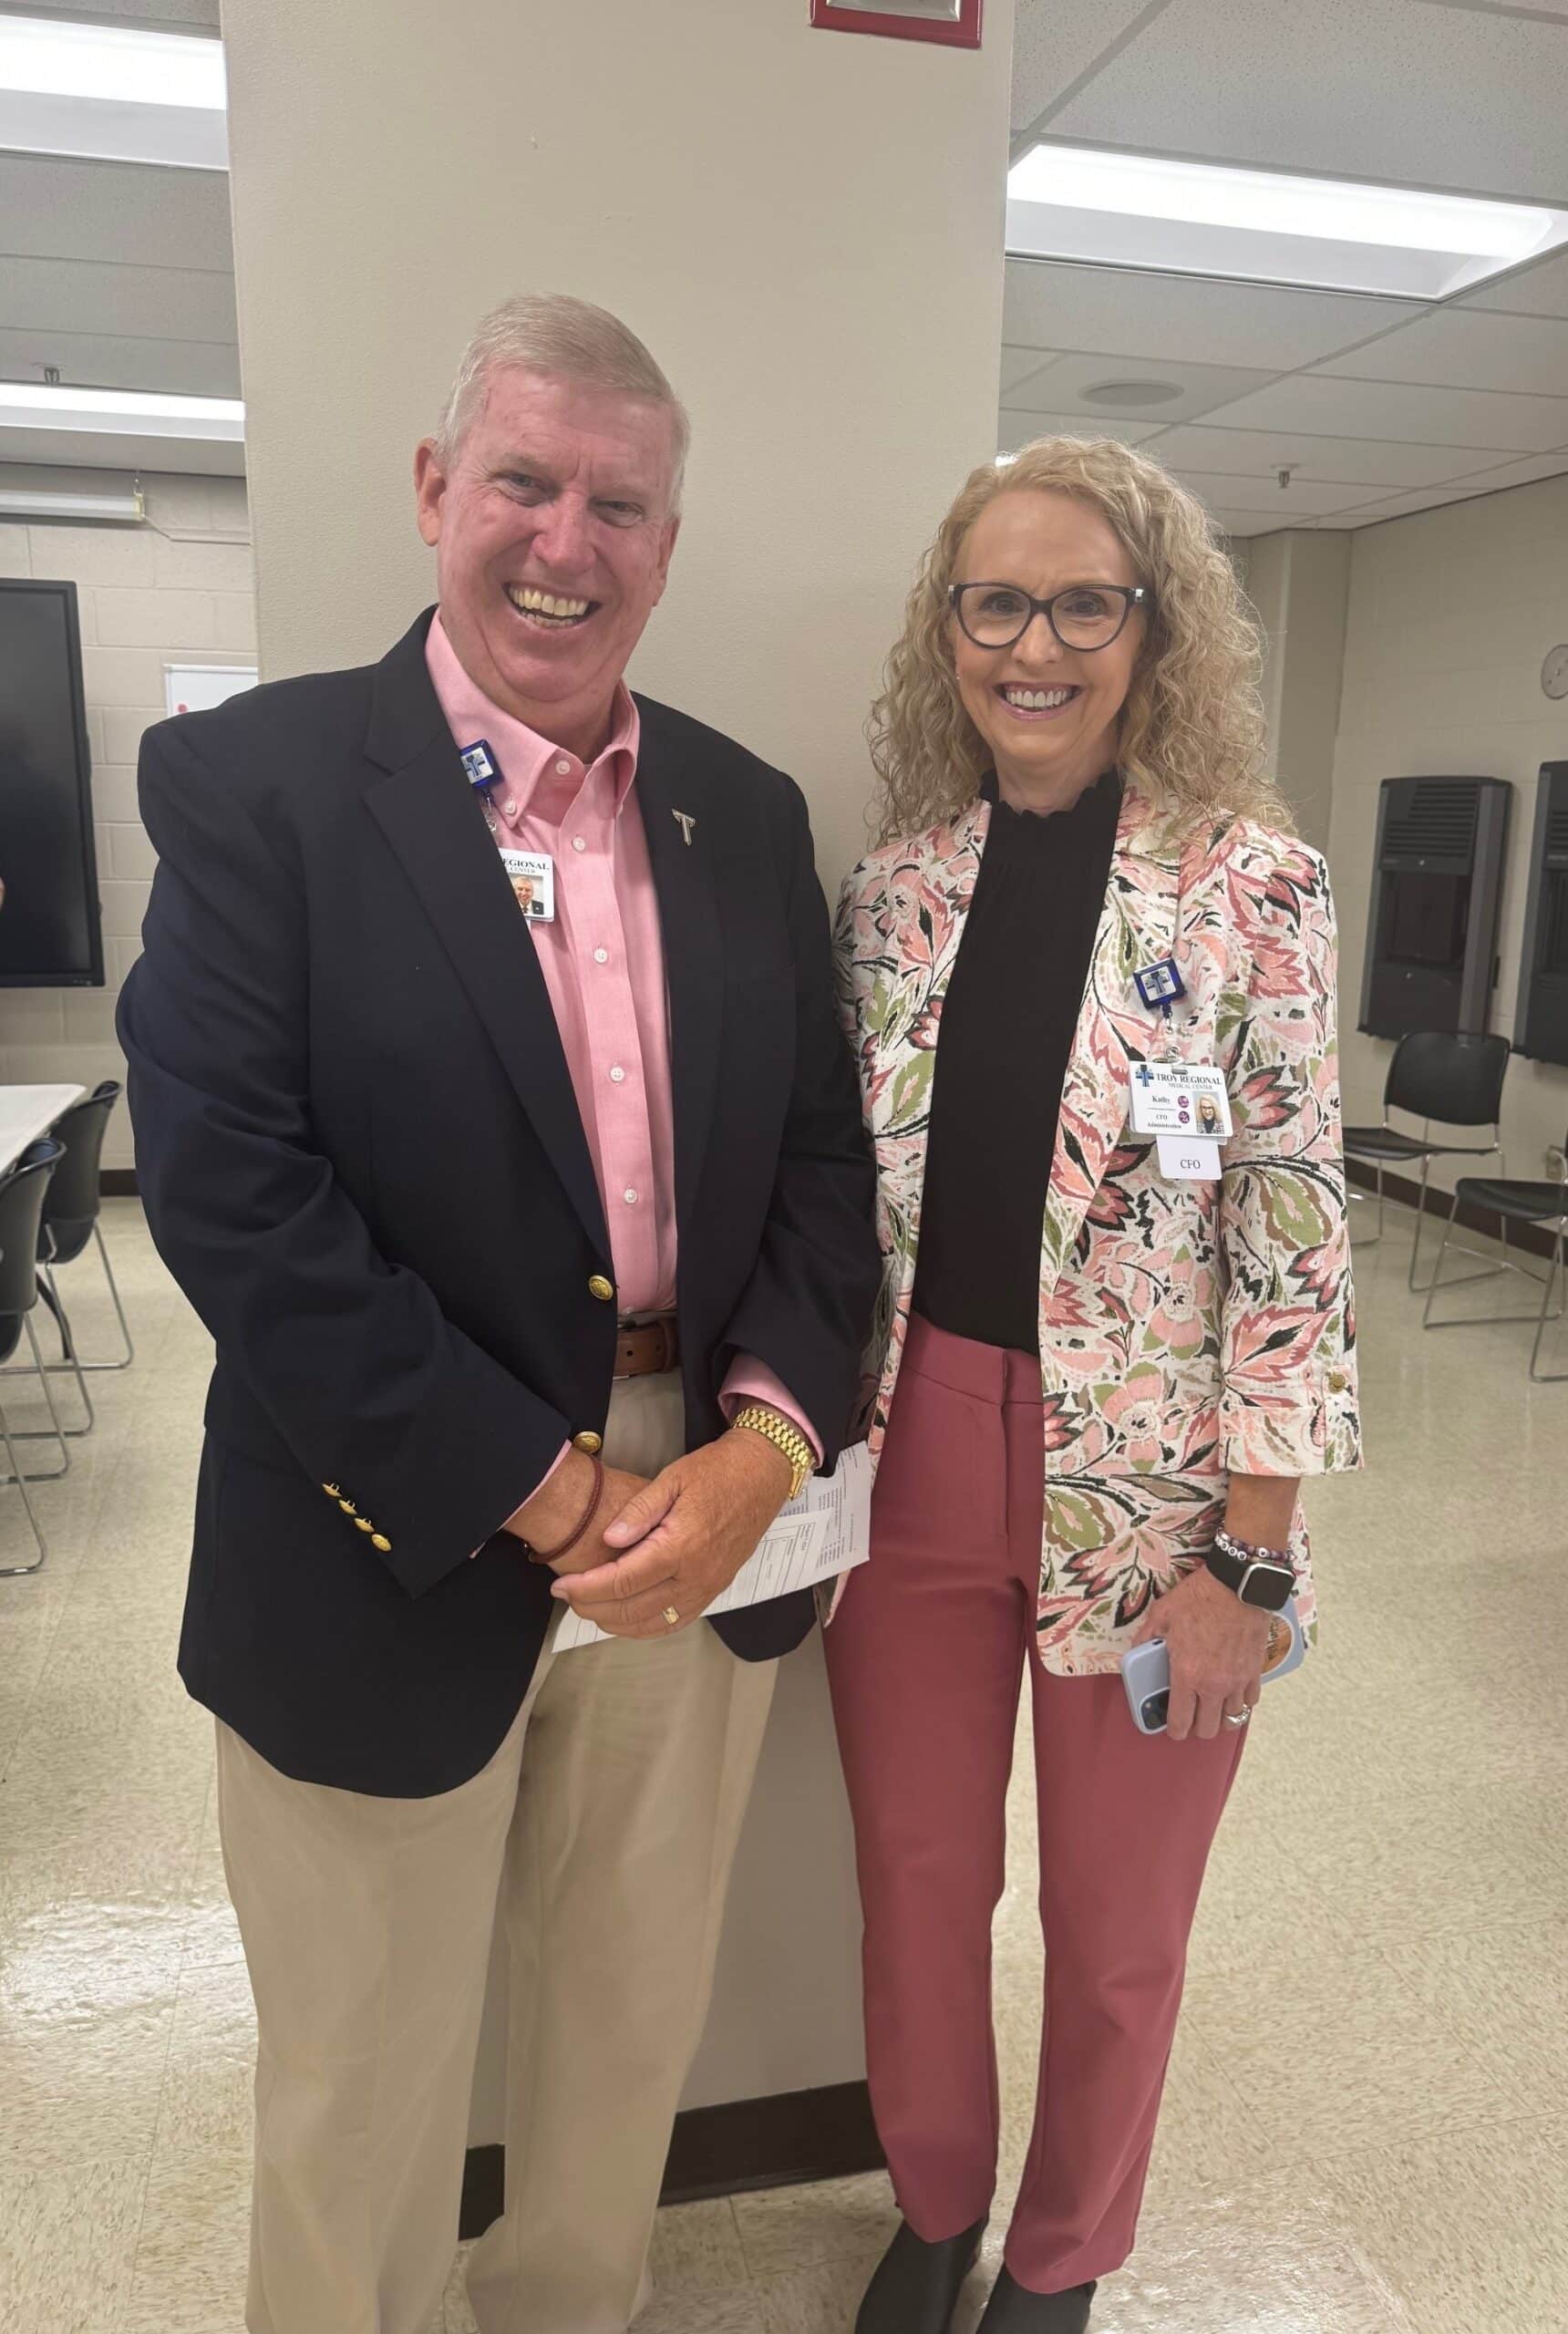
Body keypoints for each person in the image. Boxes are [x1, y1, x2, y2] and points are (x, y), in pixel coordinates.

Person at [118, 293, 879, 2334]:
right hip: (384, 1513)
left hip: (696, 1509)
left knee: (627, 2032)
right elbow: (234, 1198)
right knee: (362, 2076)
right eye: (525, 481)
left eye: (617, 501)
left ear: (667, 537)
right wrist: (534, 1488)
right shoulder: (254, 786)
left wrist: (758, 1450)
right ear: (437, 490)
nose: (567, 539)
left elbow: (822, 1171)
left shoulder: (740, 811)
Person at [829, 436, 1360, 2334]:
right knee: (911, 1878)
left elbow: (1292, 1219)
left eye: (1079, 601)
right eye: (994, 601)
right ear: (946, 630)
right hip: (909, 1460)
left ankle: (1059, 2254)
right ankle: (934, 2201)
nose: (1030, 643)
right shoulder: (893, 894)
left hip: (1160, 1490)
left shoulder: (1251, 889)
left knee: (1118, 1930)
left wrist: (1257, 1554)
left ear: (1150, 629)